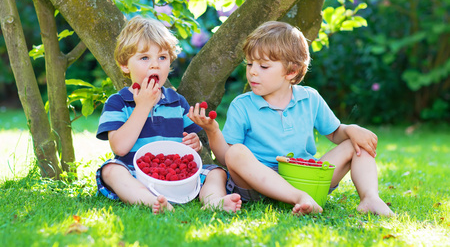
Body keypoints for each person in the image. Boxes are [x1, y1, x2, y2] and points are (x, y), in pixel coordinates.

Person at [188, 21, 394, 217]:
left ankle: (370, 198)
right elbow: (227, 159)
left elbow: (334, 133)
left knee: (358, 144)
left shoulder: (309, 98)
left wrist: (350, 129)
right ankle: (298, 197)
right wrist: (212, 131)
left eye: (264, 66)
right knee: (236, 152)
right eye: (250, 64)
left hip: (304, 177)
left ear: (292, 71)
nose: (252, 72)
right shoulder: (242, 105)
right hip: (258, 185)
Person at [96, 16, 241, 214]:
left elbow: (193, 143)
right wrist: (142, 106)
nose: (155, 65)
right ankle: (151, 201)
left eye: (162, 57)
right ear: (124, 65)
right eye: (145, 58)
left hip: (176, 177)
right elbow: (120, 148)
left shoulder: (177, 101)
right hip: (135, 174)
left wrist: (194, 144)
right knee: (111, 170)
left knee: (216, 172)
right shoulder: (118, 102)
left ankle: (214, 200)